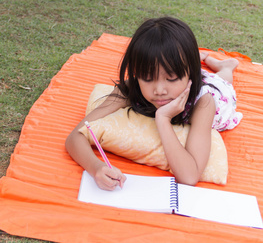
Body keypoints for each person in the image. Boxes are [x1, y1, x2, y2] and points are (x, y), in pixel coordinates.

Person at [65, 17, 242, 190]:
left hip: (215, 92)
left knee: (223, 78)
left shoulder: (205, 103)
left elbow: (189, 176)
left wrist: (163, 119)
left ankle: (226, 65)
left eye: (171, 78)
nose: (159, 90)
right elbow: (75, 136)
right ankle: (197, 58)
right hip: (191, 75)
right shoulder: (131, 89)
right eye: (148, 78)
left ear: (188, 73)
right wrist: (96, 168)